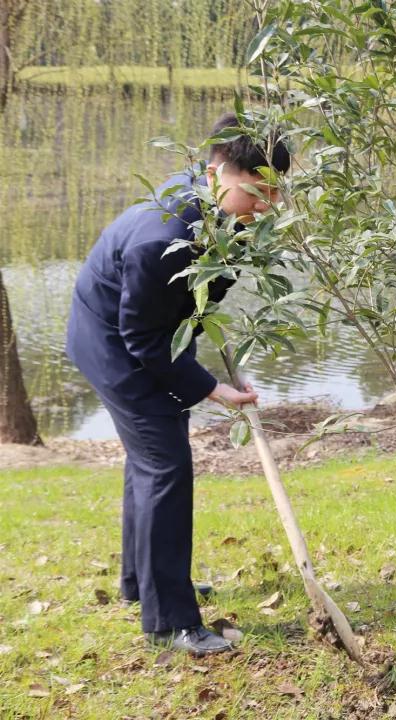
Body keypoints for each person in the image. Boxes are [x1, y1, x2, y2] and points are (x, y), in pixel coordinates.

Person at [66, 113, 289, 656]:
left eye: (275, 194)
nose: (267, 206)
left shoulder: (215, 207)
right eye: (257, 192)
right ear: (217, 170)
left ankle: (141, 584)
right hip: (115, 345)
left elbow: (194, 298)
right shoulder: (160, 234)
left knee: (150, 461)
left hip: (147, 333)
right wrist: (212, 387)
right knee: (164, 464)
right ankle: (169, 621)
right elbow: (140, 336)